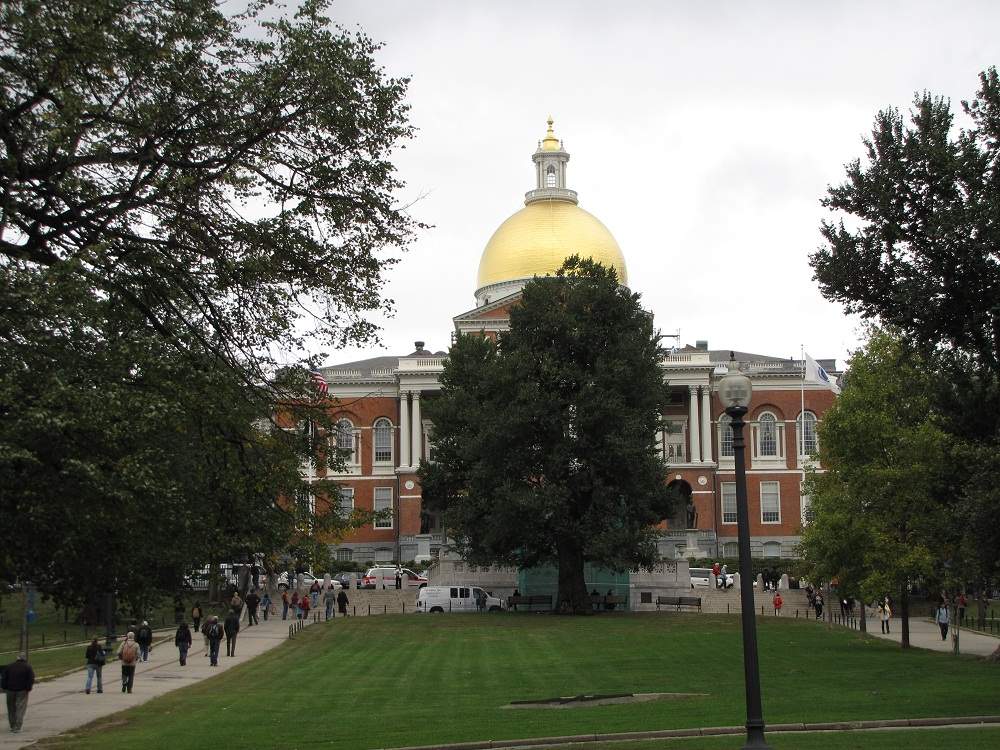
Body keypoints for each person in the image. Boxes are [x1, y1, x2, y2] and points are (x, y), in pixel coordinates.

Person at [2, 654, 35, 733]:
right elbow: (31, 678)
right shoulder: (28, 667)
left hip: (10, 690)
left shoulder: (9, 666)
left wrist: (4, 687)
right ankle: (18, 727)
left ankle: (12, 725)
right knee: (20, 708)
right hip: (22, 690)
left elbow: (4, 678)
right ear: (24, 659)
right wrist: (28, 688)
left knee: (11, 708)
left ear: (17, 659)